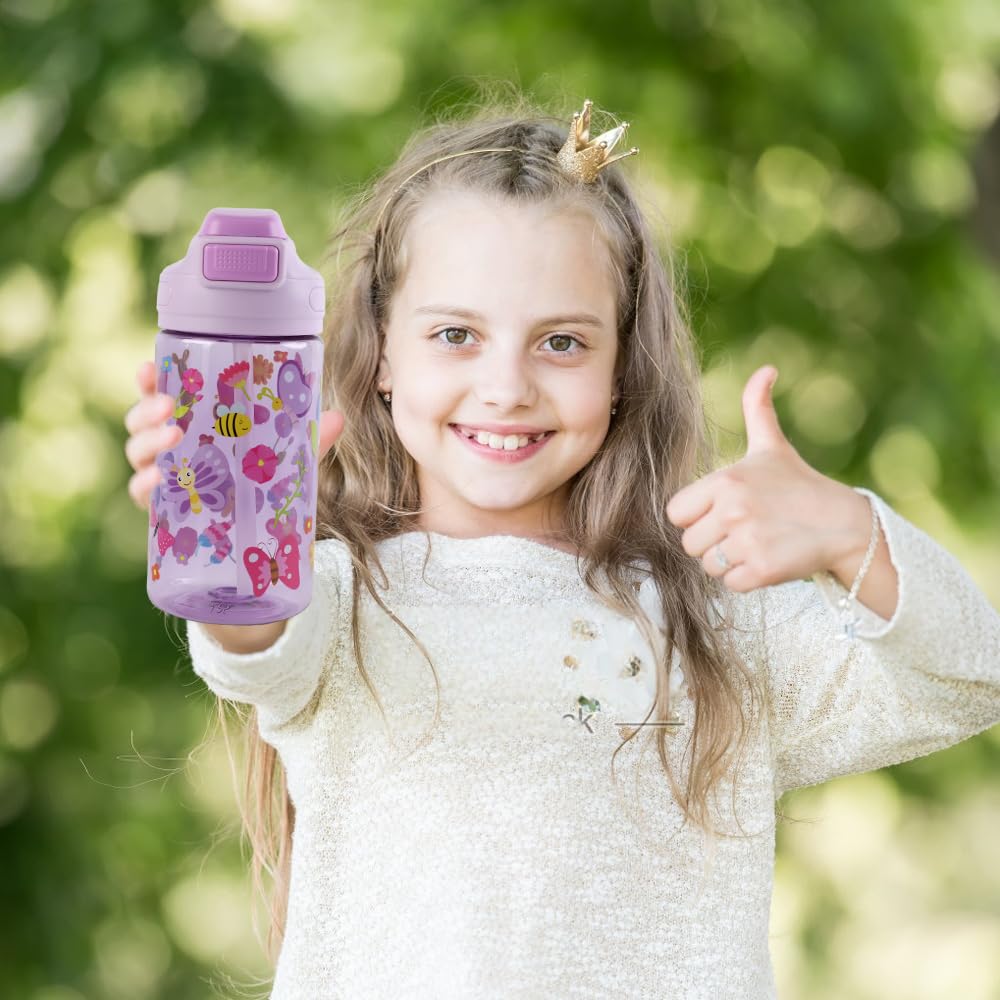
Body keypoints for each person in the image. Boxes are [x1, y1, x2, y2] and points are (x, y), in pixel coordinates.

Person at [123, 92, 1000, 999]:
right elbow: (251, 640)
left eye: (562, 342)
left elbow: (969, 678)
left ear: (622, 367)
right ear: (383, 354)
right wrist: (230, 517)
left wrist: (851, 531)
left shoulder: (715, 626)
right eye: (456, 335)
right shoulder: (334, 599)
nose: (506, 387)